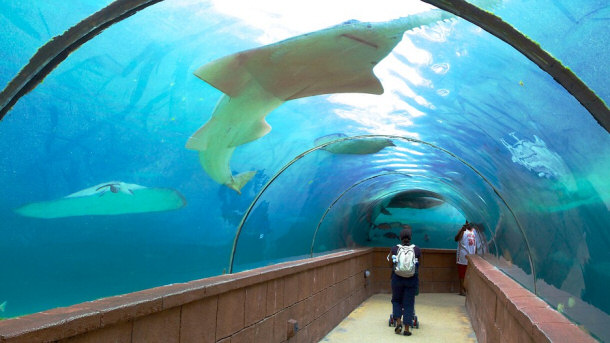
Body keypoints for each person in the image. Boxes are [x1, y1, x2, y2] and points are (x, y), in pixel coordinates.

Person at [388, 227, 421, 336]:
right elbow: (419, 266)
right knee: (409, 303)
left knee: (396, 300)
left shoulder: (394, 249)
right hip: (411, 280)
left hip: (397, 279)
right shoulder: (416, 249)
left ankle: (398, 323)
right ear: (410, 238)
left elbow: (390, 265)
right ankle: (407, 329)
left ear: (400, 237)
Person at [455, 221, 482, 296]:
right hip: (462, 256)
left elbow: (475, 245)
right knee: (462, 274)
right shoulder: (463, 231)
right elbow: (456, 239)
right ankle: (461, 290)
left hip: (471, 256)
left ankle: (466, 289)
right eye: (468, 222)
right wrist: (461, 230)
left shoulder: (475, 231)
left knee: (469, 274)